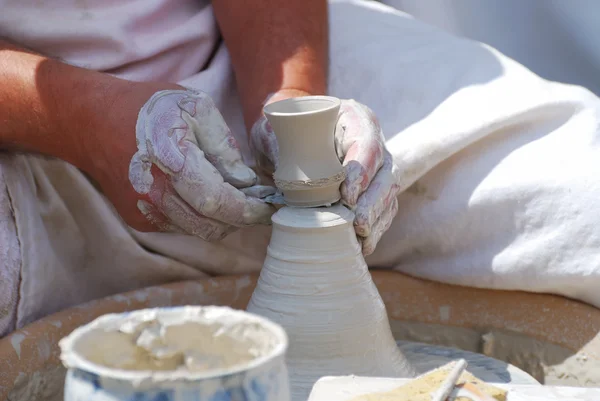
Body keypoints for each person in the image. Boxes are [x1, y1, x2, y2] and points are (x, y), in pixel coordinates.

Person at [1, 0, 600, 338]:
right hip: (25, 134)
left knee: (584, 194)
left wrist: (290, 105)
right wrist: (80, 121)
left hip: (238, 52)